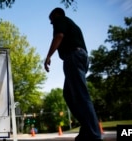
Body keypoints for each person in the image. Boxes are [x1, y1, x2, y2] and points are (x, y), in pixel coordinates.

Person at [44, 7, 103, 141]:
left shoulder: (61, 19)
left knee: (81, 95)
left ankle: (94, 135)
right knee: (69, 94)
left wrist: (48, 56)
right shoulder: (72, 25)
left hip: (73, 57)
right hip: (79, 57)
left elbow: (59, 36)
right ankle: (87, 129)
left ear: (56, 15)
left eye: (51, 20)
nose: (51, 23)